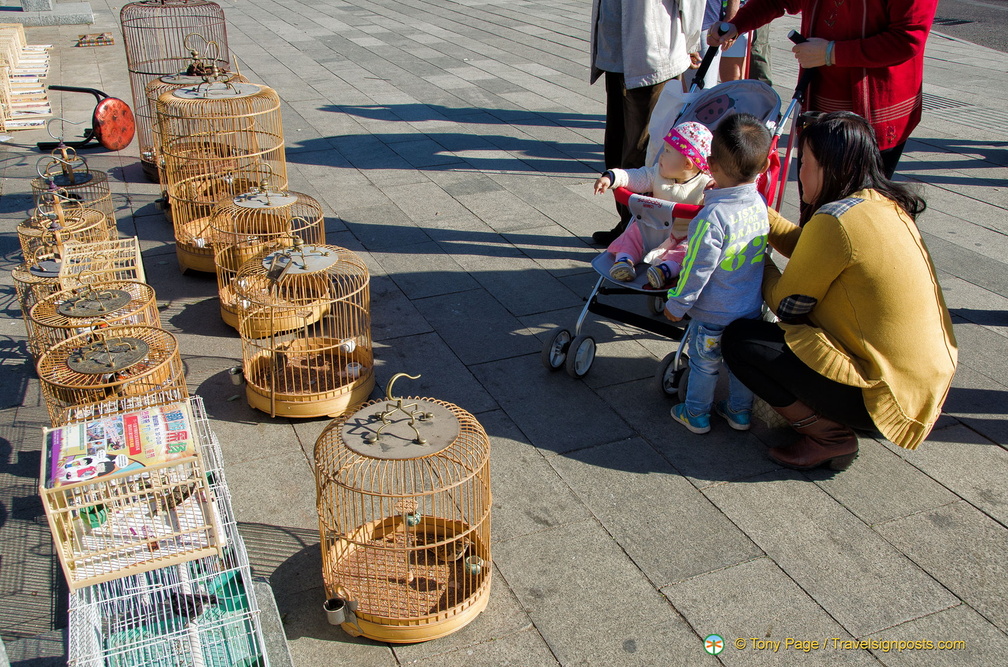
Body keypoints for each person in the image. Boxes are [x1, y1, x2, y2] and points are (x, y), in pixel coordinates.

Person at [721, 112, 957, 471]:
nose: (801, 173)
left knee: (741, 341)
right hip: (920, 388)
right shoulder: (879, 204)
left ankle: (829, 436)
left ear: (832, 167)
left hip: (881, 397)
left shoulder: (835, 221)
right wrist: (756, 212)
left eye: (806, 162)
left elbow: (786, 303)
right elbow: (808, 247)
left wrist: (751, 256)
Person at [708, 0, 939, 177]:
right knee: (813, 204)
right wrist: (737, 24)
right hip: (819, 105)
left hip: (875, 111)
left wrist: (832, 53)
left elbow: (908, 38)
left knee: (861, 211)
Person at [662, 113, 772, 434]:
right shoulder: (759, 204)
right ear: (763, 167)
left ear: (710, 165)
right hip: (748, 309)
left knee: (705, 364)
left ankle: (696, 413)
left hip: (713, 313)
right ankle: (739, 412)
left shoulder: (712, 218)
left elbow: (696, 269)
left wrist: (677, 304)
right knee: (740, 365)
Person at [589, 0, 707, 246]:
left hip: (652, 50)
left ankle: (642, 232)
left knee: (643, 149)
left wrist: (691, 40)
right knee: (616, 145)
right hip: (615, 49)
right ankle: (628, 226)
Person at [594, 121, 713, 289]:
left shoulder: (706, 186)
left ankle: (665, 270)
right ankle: (624, 261)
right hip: (651, 228)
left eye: (667, 151)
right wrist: (611, 177)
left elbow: (718, 204)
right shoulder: (657, 174)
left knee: (689, 250)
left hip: (683, 234)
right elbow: (635, 177)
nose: (661, 156)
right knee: (632, 234)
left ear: (687, 164)